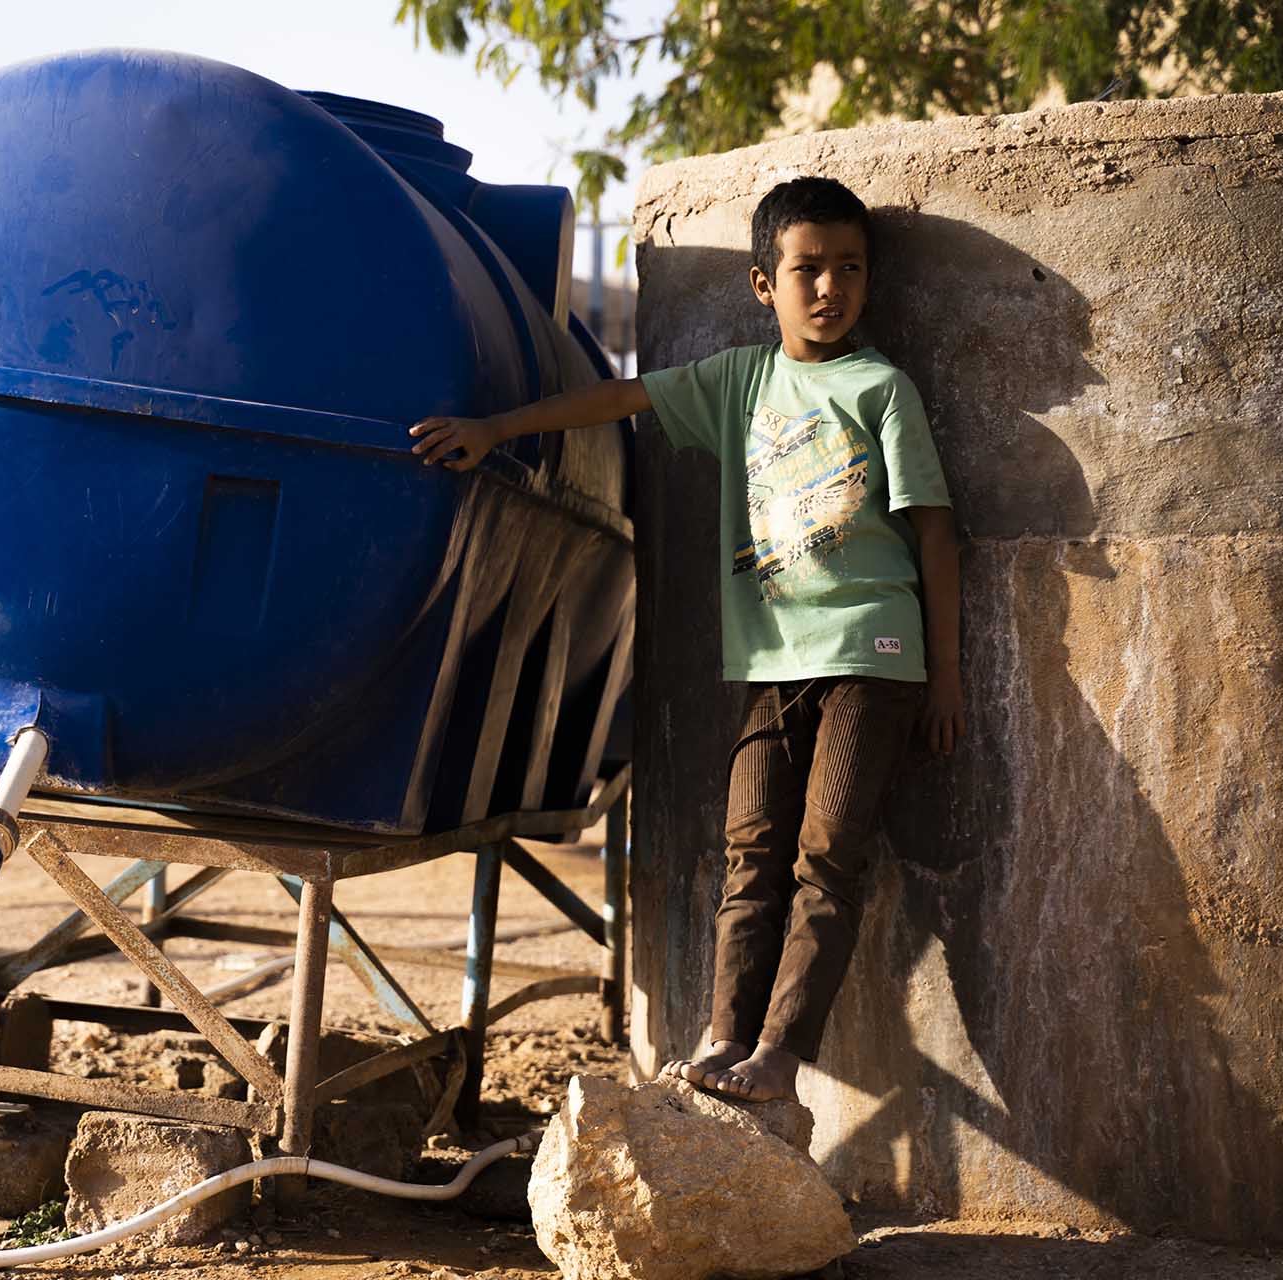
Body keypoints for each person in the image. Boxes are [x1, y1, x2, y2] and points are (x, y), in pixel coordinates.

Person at [408, 176, 962, 1103]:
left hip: (874, 656)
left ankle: (781, 1059)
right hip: (771, 664)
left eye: (851, 269)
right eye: (808, 269)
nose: (831, 288)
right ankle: (722, 1040)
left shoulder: (881, 388)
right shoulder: (738, 383)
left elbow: (935, 533)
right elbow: (618, 399)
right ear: (762, 284)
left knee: (826, 857)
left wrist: (944, 678)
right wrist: (496, 429)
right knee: (750, 853)